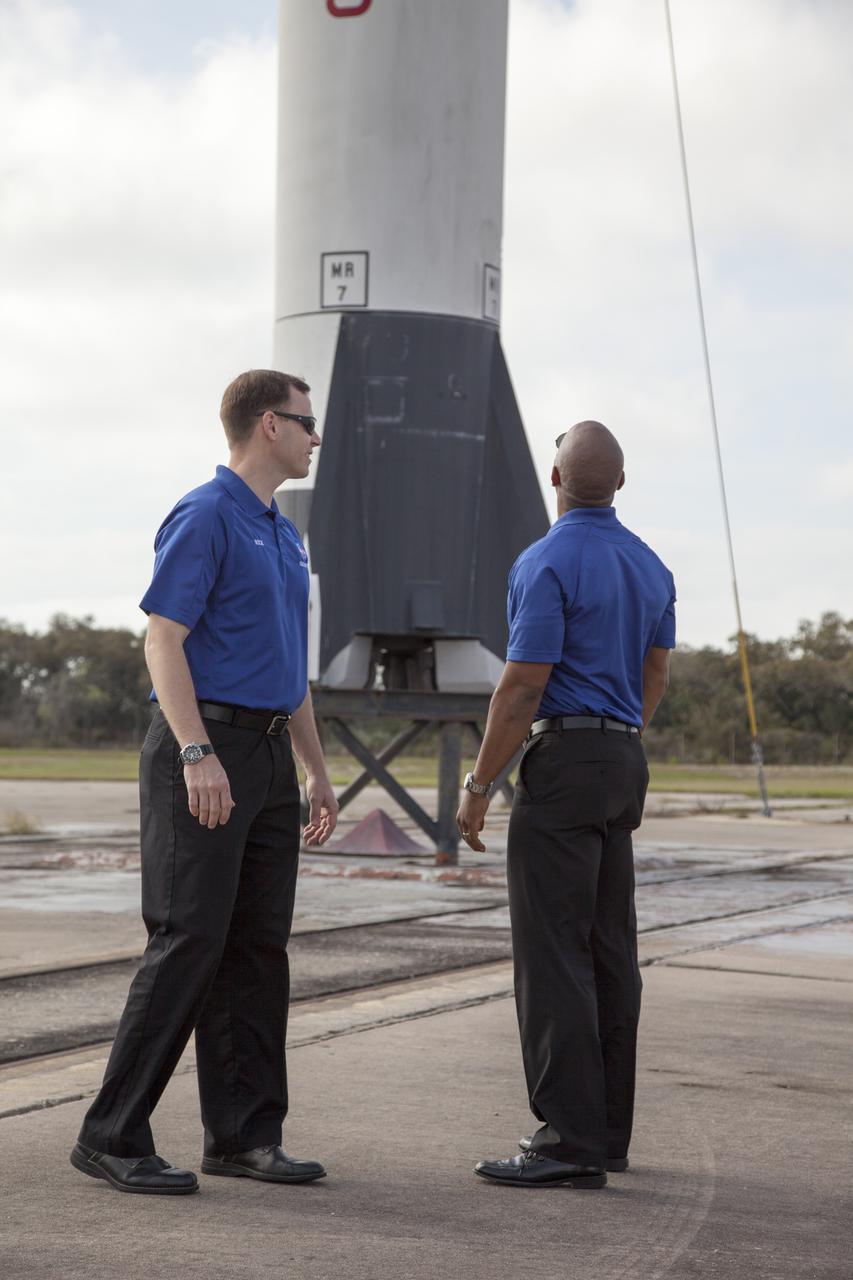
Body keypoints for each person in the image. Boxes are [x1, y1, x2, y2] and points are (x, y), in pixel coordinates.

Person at [71, 369, 339, 1195]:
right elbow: (163, 640)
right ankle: (112, 1134)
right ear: (268, 426)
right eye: (305, 421)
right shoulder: (205, 514)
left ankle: (245, 1136)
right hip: (205, 744)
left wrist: (317, 772)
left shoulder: (284, 535)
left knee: (258, 948)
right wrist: (195, 753)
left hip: (265, 753)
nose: (314, 436)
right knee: (189, 937)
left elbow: (290, 671)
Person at [457, 420, 675, 1190]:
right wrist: (621, 740)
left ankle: (566, 1140)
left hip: (565, 760)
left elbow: (522, 684)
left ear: (554, 479)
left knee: (552, 954)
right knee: (608, 948)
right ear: (618, 484)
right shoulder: (649, 566)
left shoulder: (544, 561)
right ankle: (606, 1134)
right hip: (622, 757)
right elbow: (655, 672)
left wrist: (480, 785)